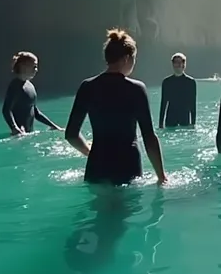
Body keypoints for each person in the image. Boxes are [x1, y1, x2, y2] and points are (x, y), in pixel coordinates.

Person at [64, 29, 169, 186]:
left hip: (96, 165)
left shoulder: (87, 87)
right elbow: (149, 137)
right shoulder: (136, 89)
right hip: (127, 165)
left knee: (99, 208)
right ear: (127, 58)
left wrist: (89, 152)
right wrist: (161, 176)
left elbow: (71, 134)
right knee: (125, 208)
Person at [2, 51, 60, 135]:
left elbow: (36, 112)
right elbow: (6, 110)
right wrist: (14, 128)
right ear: (23, 66)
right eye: (34, 66)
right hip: (18, 136)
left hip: (28, 134)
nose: (36, 70)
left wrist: (54, 126)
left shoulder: (30, 86)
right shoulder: (15, 86)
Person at [159, 52, 197, 128]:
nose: (178, 65)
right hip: (170, 119)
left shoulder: (191, 82)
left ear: (184, 64)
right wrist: (160, 124)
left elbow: (193, 104)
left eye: (181, 62)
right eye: (176, 62)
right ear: (173, 64)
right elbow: (163, 103)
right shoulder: (167, 82)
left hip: (185, 119)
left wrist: (193, 123)